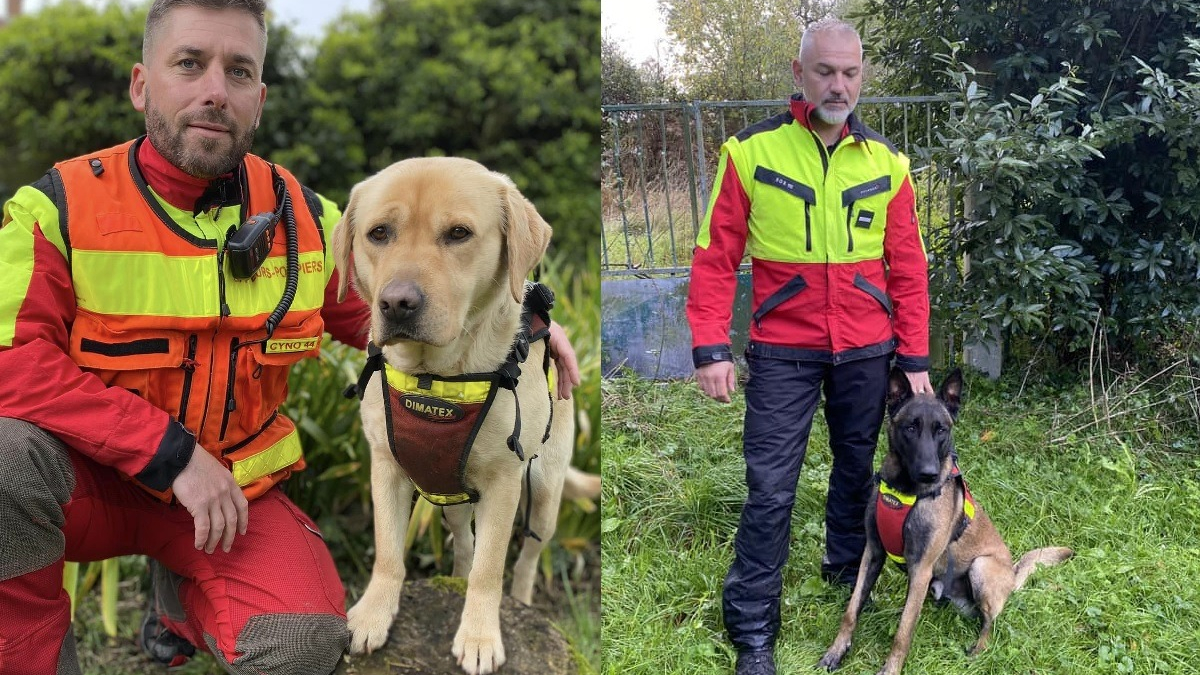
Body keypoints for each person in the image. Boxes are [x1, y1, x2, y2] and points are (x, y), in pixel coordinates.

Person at [0, 2, 580, 674]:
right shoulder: (56, 208)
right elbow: (12, 366)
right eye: (190, 63)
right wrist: (172, 456)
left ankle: (180, 600)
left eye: (239, 71)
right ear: (140, 84)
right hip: (93, 486)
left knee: (304, 644)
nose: (215, 90)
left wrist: (531, 324)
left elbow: (394, 305)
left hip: (229, 504)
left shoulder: (307, 217)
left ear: (260, 98)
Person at [685, 18, 933, 675]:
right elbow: (715, 257)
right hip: (782, 348)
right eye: (826, 71)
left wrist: (915, 360)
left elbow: (908, 268)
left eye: (851, 73)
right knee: (769, 487)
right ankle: (753, 630)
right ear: (799, 74)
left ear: (862, 76)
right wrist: (710, 345)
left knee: (858, 471)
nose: (840, 84)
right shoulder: (750, 152)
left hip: (869, 349)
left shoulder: (888, 162)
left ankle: (846, 568)